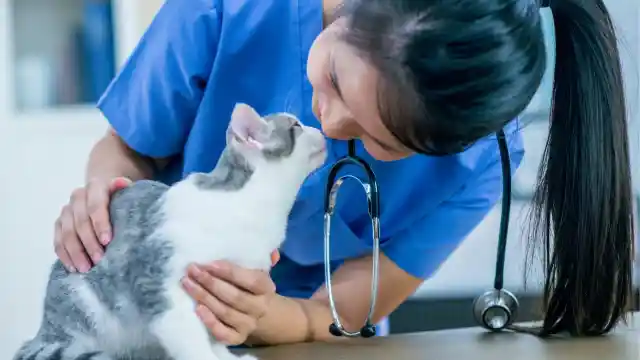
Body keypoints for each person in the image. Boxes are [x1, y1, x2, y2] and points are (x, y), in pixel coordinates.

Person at [53, 0, 634, 346]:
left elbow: (341, 311)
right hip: (153, 318)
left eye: (376, 141)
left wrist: (266, 317)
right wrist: (106, 196)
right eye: (333, 76)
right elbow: (128, 151)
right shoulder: (229, 9)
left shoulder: (478, 161)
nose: (328, 125)